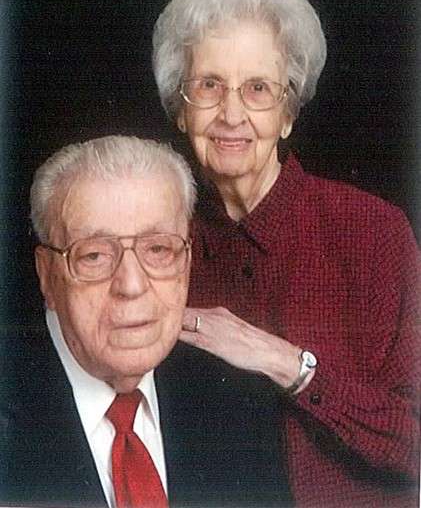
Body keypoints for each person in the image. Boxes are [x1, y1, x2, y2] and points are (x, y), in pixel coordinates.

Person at [152, 0, 421, 507]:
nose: (231, 114)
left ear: (288, 114)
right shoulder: (155, 244)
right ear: (181, 111)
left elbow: (414, 444)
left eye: (257, 89)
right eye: (209, 86)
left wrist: (288, 364)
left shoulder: (373, 233)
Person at [0, 135, 292, 507]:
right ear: (46, 274)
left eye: (158, 249)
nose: (132, 286)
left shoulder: (240, 405)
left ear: (187, 261)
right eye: (94, 256)